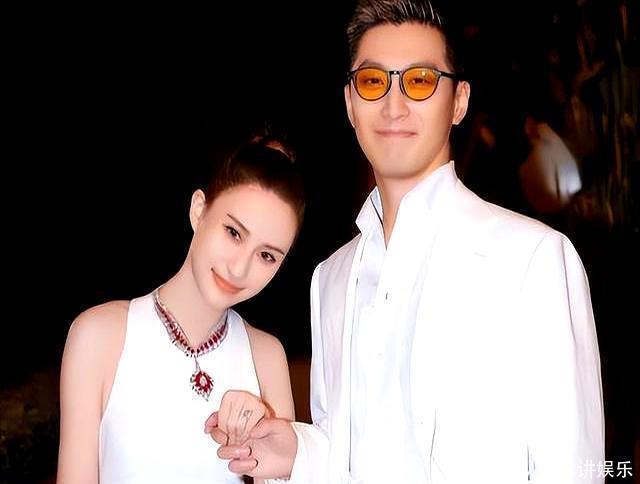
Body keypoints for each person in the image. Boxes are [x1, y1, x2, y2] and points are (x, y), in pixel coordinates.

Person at [212, 1, 605, 482]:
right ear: (350, 104)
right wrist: (301, 454)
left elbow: (572, 468)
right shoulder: (332, 278)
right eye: (372, 81)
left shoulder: (532, 258)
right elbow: (348, 451)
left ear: (458, 102)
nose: (393, 105)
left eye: (419, 81)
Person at [57, 133, 303, 483]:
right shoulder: (99, 336)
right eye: (233, 232)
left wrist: (262, 446)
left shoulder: (267, 357)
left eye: (266, 255)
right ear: (199, 210)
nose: (239, 269)